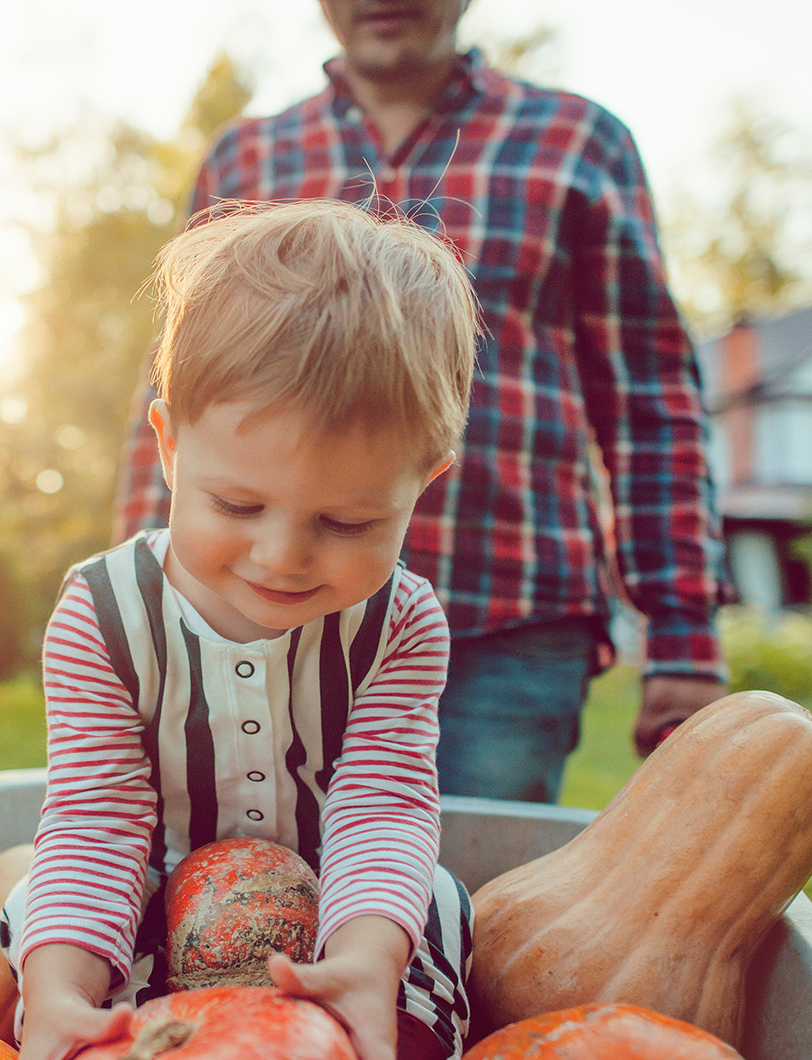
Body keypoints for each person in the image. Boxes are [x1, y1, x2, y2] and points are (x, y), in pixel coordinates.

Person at [114, 0, 731, 802]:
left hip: (505, 618)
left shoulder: (577, 142)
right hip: (261, 613)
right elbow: (177, 385)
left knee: (472, 892)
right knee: (246, 876)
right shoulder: (247, 157)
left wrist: (684, 636)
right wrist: (140, 590)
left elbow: (649, 398)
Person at [5, 199, 480, 1060]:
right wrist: (60, 991)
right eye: (237, 504)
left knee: (437, 902)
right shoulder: (102, 614)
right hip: (148, 895)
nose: (283, 556)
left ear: (425, 483)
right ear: (170, 446)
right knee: (33, 911)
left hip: (341, 902)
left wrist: (365, 958)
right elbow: (96, 820)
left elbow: (382, 806)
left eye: (346, 523)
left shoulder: (401, 622)